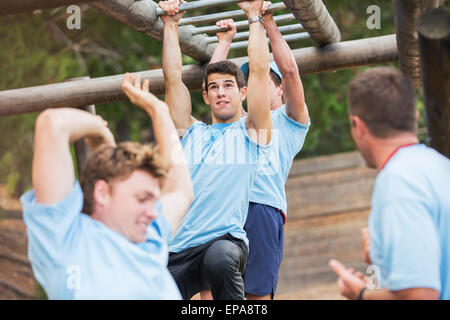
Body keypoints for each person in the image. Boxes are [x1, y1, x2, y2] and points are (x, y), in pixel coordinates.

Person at [20, 73, 193, 299]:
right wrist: (99, 129)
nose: (153, 212)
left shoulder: (149, 236)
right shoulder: (65, 240)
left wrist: (159, 111)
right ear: (102, 193)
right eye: (142, 199)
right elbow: (52, 124)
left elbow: (181, 190)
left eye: (153, 199)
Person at [158, 0, 272, 300]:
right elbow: (172, 79)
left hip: (224, 242)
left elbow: (259, 71)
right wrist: (170, 24)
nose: (221, 91)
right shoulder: (189, 131)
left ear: (242, 92)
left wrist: (254, 16)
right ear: (206, 96)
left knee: (220, 260)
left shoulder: (252, 132)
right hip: (178, 248)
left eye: (228, 85)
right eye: (214, 87)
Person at [200, 1, 310, 300]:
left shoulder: (289, 123)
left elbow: (290, 71)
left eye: (267, 80)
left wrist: (268, 22)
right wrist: (223, 43)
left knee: (255, 297)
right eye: (250, 81)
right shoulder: (236, 123)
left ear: (280, 90)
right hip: (224, 207)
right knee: (209, 294)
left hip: (261, 209)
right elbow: (213, 83)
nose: (259, 83)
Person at [329, 67, 450, 300]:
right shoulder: (442, 167)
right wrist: (382, 257)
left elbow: (420, 295)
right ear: (414, 117)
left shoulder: (398, 182)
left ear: (359, 126)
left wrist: (361, 293)